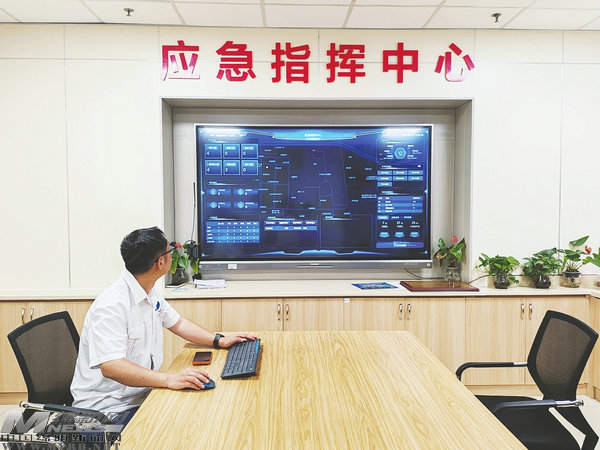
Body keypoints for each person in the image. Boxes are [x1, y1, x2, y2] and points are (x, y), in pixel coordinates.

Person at [70, 226, 255, 424]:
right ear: (160, 262)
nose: (172, 255)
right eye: (170, 251)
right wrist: (168, 379)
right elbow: (111, 367)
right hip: (108, 411)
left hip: (141, 396)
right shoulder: (111, 305)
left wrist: (219, 340)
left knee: (204, 410)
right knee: (193, 423)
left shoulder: (148, 290)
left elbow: (179, 323)